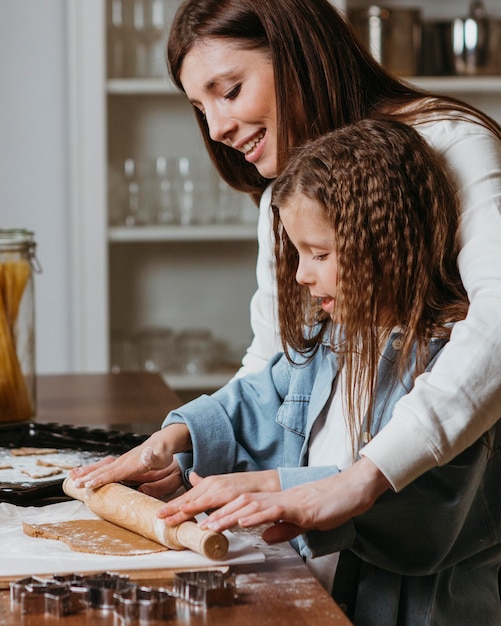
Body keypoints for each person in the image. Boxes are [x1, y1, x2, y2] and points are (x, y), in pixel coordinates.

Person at [74, 0, 501, 544]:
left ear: (299, 54)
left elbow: (496, 323)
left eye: (229, 91)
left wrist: (361, 479)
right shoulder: (286, 193)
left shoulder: (449, 141)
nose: (219, 127)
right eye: (201, 109)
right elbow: (278, 365)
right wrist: (182, 451)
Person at [73, 119, 501, 624]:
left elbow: (430, 516)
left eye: (319, 254)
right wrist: (173, 438)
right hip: (321, 598)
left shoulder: (451, 365)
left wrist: (282, 485)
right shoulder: (331, 338)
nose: (301, 274)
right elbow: (260, 399)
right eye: (299, 253)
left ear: (387, 242)